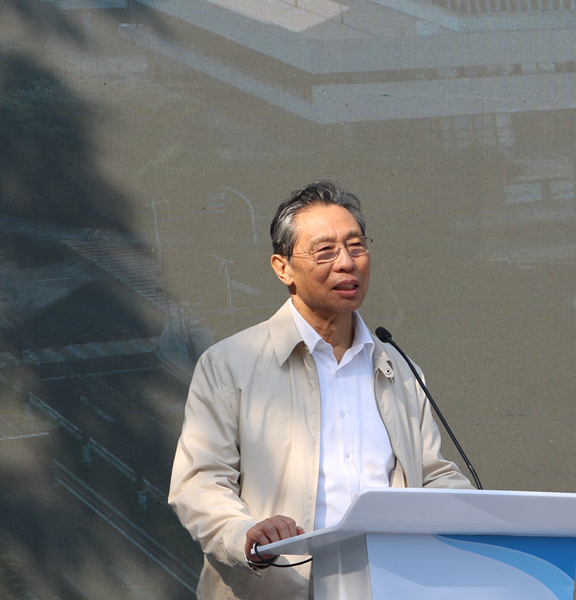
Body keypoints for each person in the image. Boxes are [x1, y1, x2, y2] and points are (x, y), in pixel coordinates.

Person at [169, 180, 473, 600]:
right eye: (325, 251)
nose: (347, 262)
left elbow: (431, 475)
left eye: (356, 246)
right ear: (283, 268)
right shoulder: (229, 365)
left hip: (387, 586)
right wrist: (247, 535)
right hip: (278, 587)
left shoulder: (399, 369)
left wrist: (484, 516)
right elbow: (200, 483)